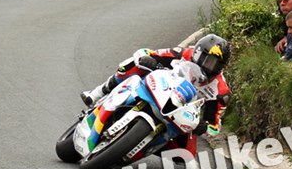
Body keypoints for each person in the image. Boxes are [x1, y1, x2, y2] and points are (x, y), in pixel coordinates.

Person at [79, 34, 232, 158]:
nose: (208, 66)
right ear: (197, 53)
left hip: (180, 115)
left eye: (214, 64)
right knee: (133, 65)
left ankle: (145, 145)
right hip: (161, 88)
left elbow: (214, 127)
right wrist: (150, 61)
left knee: (185, 155)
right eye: (207, 60)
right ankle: (97, 93)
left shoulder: (221, 92)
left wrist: (203, 126)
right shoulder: (183, 53)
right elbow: (149, 53)